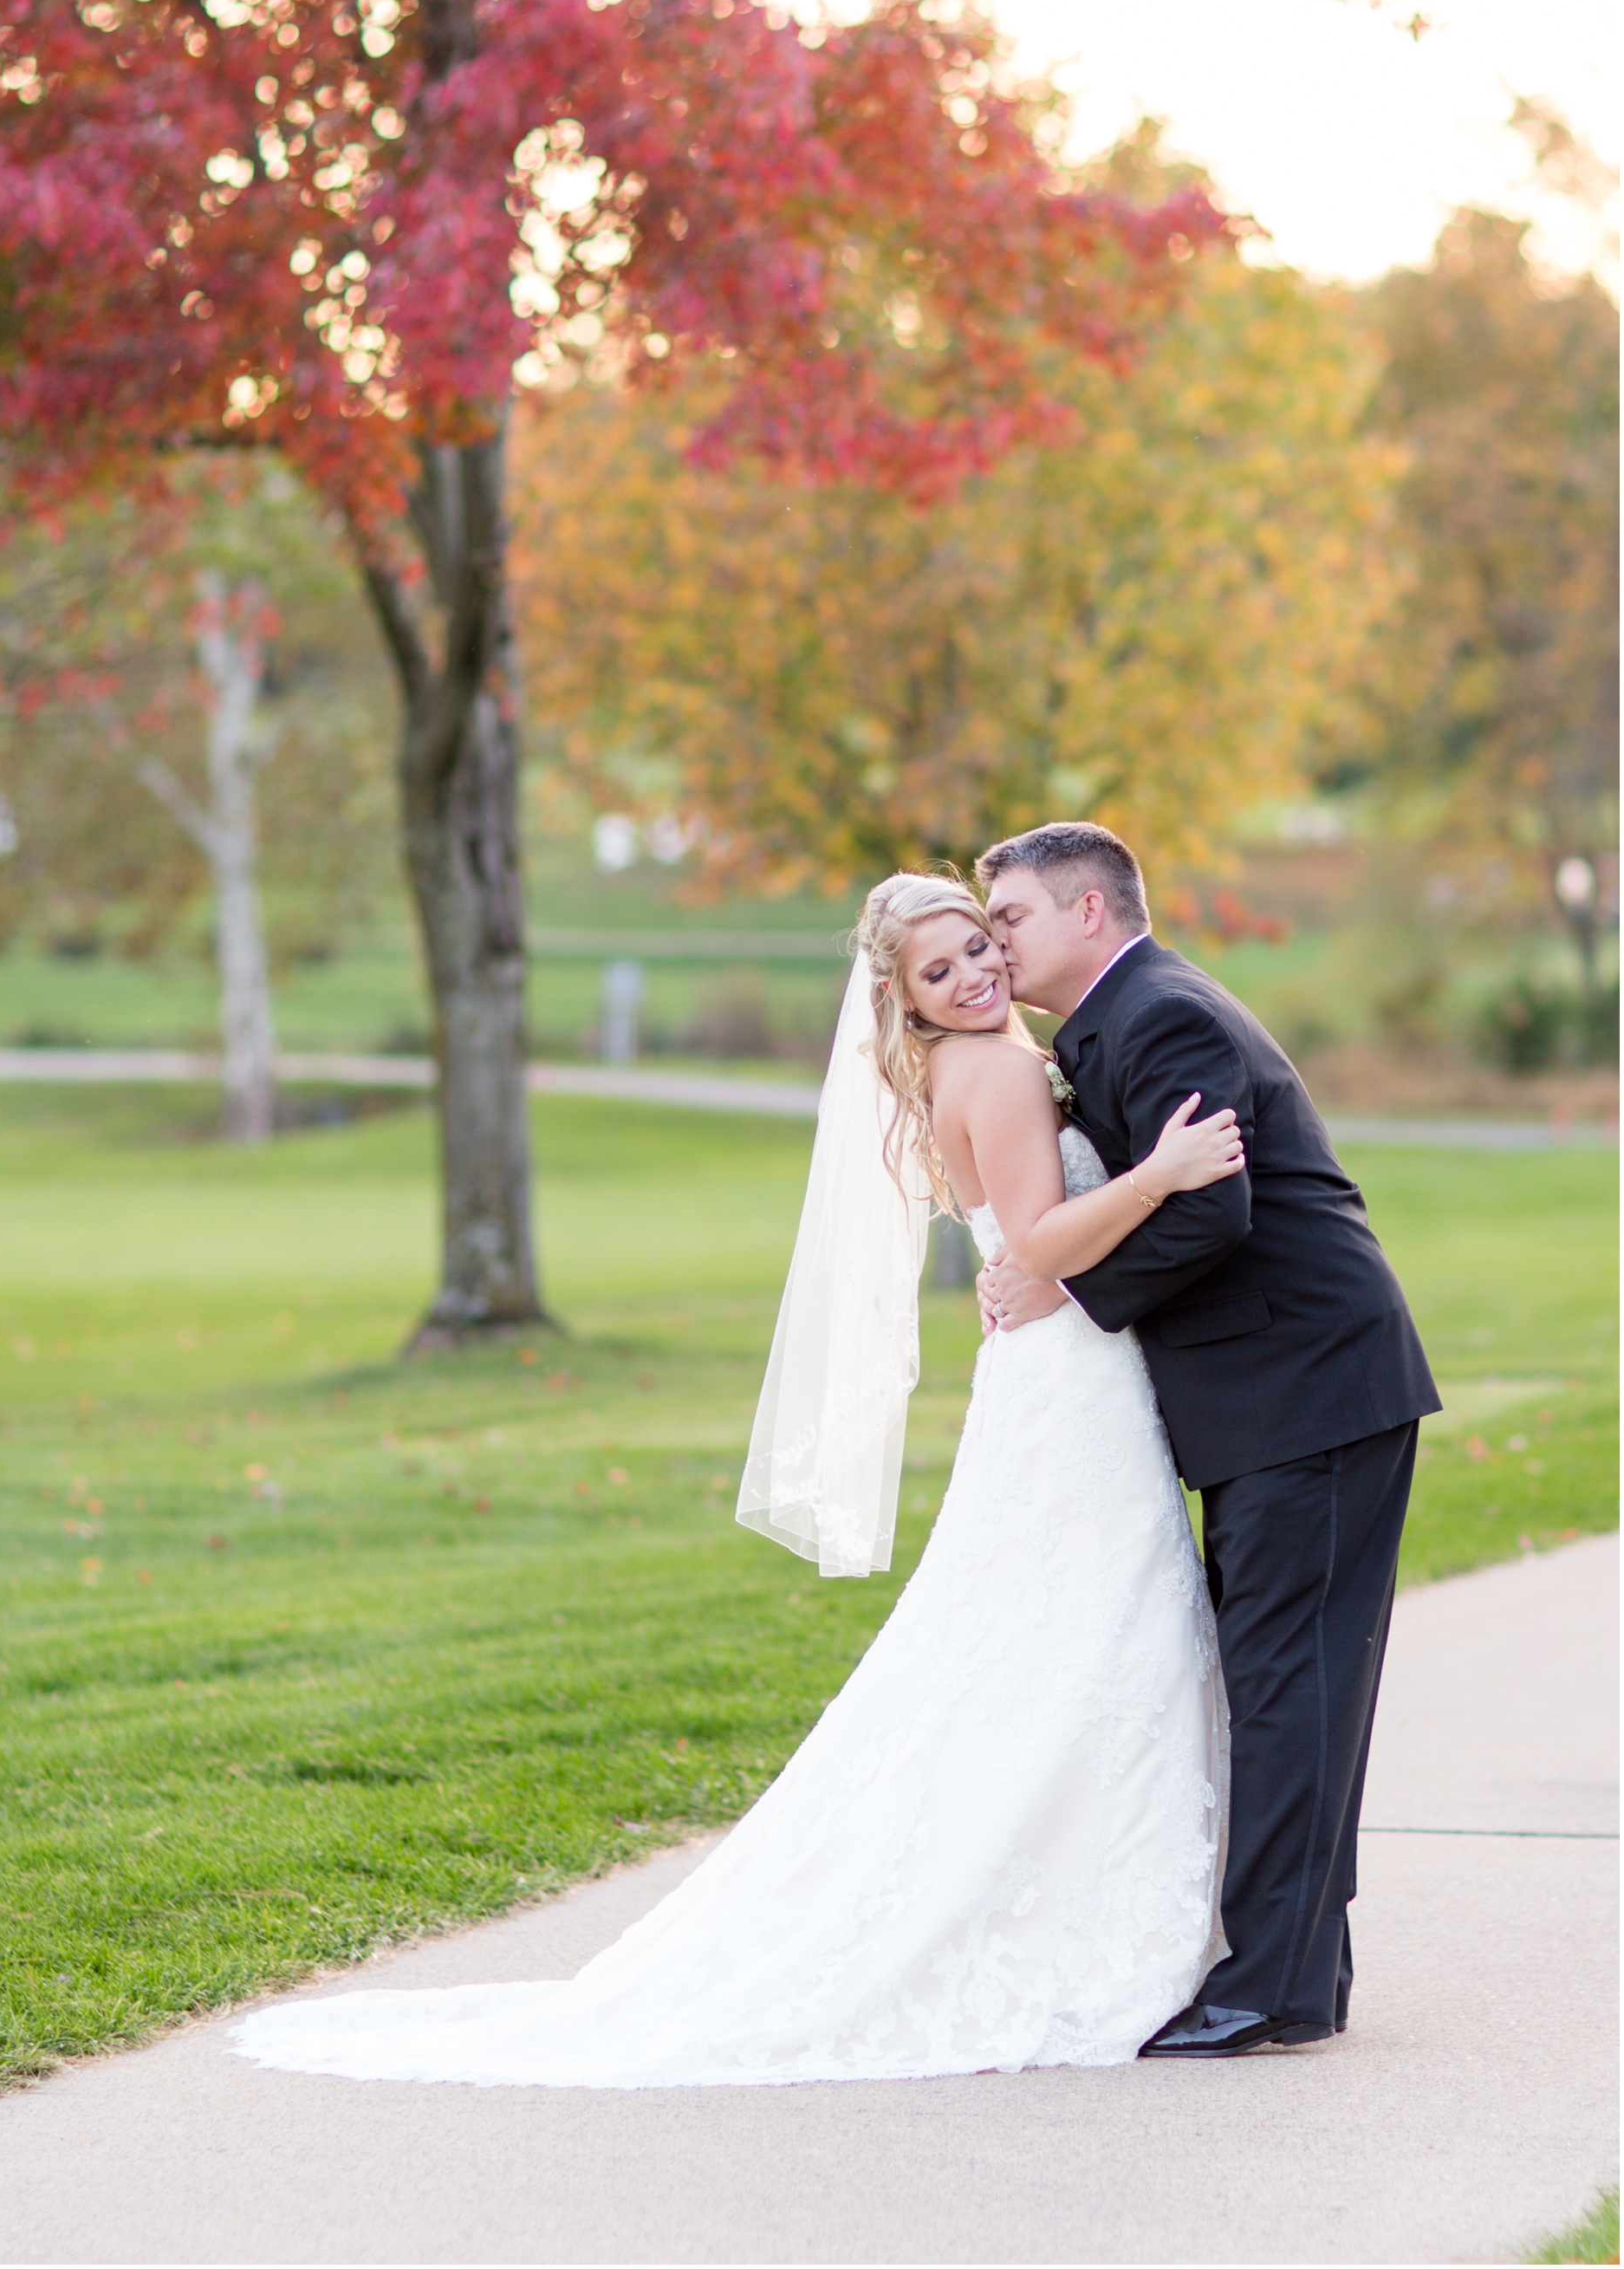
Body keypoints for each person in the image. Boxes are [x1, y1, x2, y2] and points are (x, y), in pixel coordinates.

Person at [231, 871, 1246, 2090]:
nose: (976, 973)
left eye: (980, 945)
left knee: (1050, 1644)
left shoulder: (959, 1070)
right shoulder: (1006, 1069)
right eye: (940, 973)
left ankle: (1075, 1890)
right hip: (1071, 1389)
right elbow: (1035, 1246)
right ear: (906, 1007)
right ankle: (1086, 1918)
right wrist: (1164, 1171)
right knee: (1091, 1639)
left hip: (1047, 1381)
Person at [972, 821, 1441, 2058]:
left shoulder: (1162, 1015)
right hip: (1275, 1398)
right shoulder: (1113, 1025)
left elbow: (1215, 1215)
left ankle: (1264, 1989)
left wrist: (1065, 1289)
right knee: (1290, 1687)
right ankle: (1298, 1978)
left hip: (1312, 1388)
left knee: (1294, 1689)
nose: (994, 942)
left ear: (1088, 912)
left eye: (1010, 917)